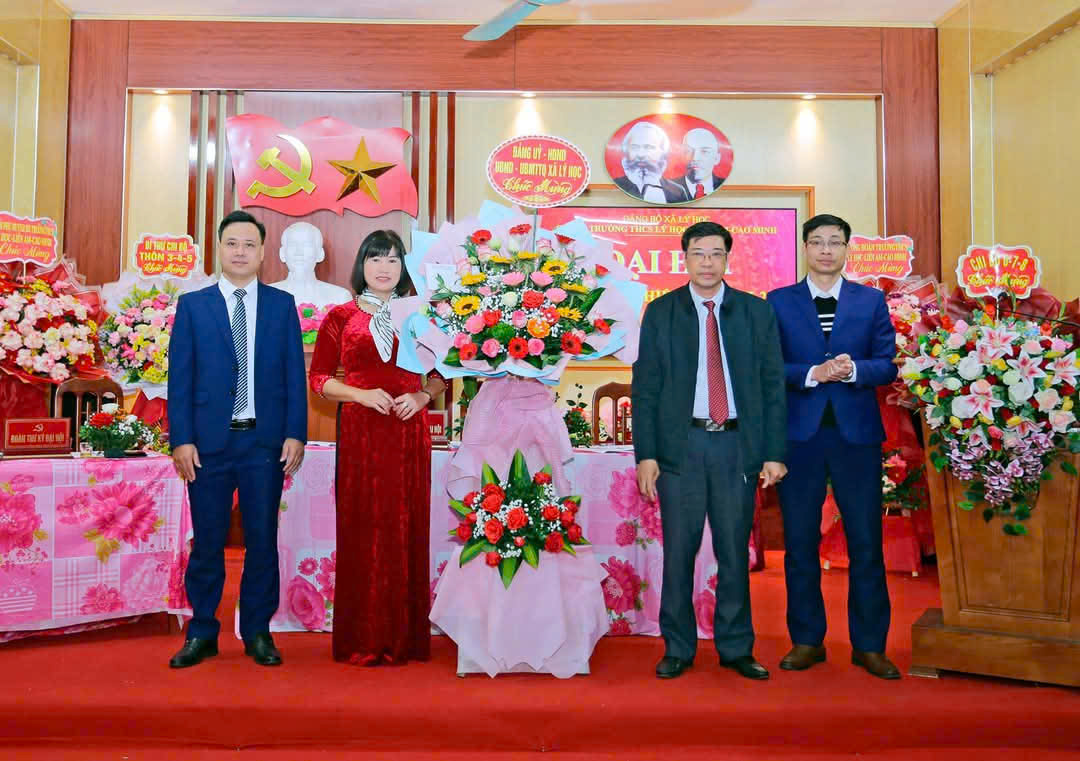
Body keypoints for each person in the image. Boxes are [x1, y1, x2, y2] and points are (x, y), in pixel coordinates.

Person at [632, 221, 786, 680]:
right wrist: (646, 455)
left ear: (727, 259)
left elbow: (773, 386)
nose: (707, 262)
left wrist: (774, 452)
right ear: (685, 258)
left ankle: (736, 647)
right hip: (680, 447)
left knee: (734, 552)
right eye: (698, 253)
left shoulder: (755, 312)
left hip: (737, 446)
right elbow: (646, 389)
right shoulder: (662, 312)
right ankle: (677, 647)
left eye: (716, 254)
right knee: (679, 552)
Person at [167, 209, 307, 669]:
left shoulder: (282, 305)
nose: (240, 252)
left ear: (263, 252)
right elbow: (180, 379)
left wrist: (295, 432)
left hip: (264, 444)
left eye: (249, 244)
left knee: (262, 541)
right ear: (219, 249)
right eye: (232, 243)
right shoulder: (193, 305)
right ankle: (202, 632)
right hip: (207, 445)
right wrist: (181, 439)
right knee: (207, 542)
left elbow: (294, 375)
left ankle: (258, 632)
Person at [766, 214, 900, 680]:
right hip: (799, 437)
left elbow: (887, 364)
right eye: (818, 242)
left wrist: (854, 370)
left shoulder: (870, 300)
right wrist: (813, 373)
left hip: (855, 436)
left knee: (866, 542)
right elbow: (768, 367)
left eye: (835, 242)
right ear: (805, 247)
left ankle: (870, 646)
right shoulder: (778, 301)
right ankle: (807, 641)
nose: (826, 250)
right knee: (800, 542)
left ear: (846, 249)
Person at [308, 229, 446, 665]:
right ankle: (363, 637)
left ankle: (404, 638)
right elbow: (319, 379)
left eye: (392, 260)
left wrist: (422, 396)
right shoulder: (340, 316)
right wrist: (360, 395)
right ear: (361, 265)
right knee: (362, 527)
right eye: (375, 259)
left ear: (403, 267)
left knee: (406, 526)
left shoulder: (422, 314)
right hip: (361, 434)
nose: (384, 268)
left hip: (408, 432)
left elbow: (442, 375)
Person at [268, 221, 352, 308]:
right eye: (292, 245)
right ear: (282, 253)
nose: (299, 252)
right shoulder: (264, 295)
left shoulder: (340, 297)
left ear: (320, 254)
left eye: (307, 245)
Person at [613, 121, 690, 204]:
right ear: (626, 152)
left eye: (648, 147)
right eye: (634, 147)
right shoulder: (616, 186)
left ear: (662, 153)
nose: (641, 155)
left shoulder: (677, 191)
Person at [675, 128, 728, 200]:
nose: (695, 158)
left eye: (704, 151)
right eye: (688, 151)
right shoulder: (668, 189)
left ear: (716, 158)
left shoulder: (727, 185)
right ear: (682, 155)